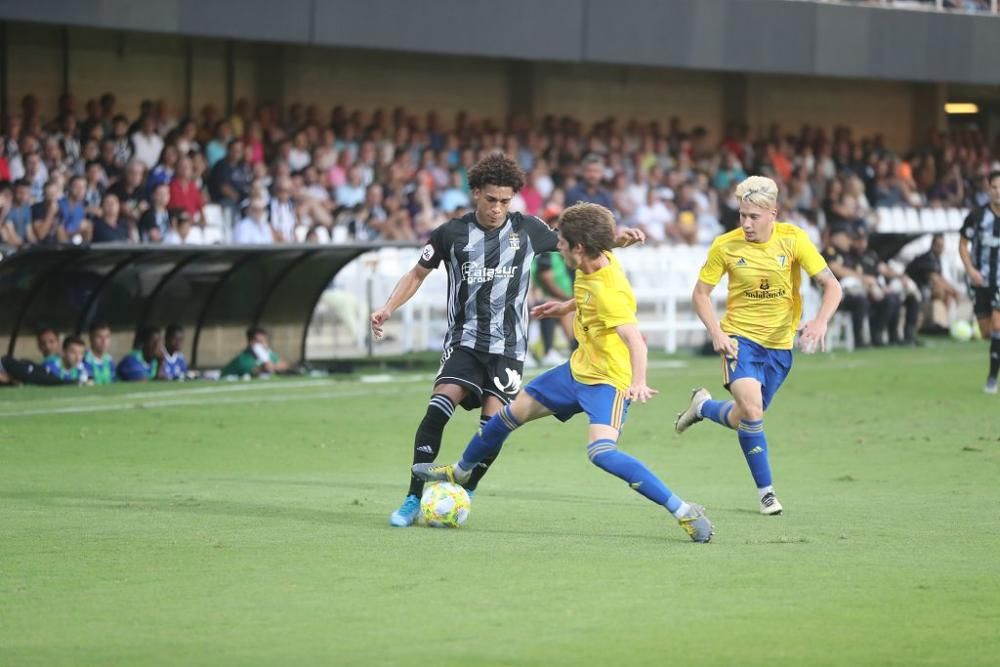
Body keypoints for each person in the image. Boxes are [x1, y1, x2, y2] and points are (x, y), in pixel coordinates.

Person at [413, 203, 713, 543]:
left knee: (601, 453)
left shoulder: (609, 291)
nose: (557, 246)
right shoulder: (594, 260)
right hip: (576, 370)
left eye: (562, 243)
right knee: (510, 415)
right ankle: (461, 471)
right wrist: (567, 306)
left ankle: (683, 511)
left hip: (608, 382)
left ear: (579, 248)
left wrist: (639, 381)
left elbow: (636, 341)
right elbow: (593, 275)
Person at [371, 153, 643, 528]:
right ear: (476, 193)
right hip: (464, 340)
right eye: (490, 200)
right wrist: (388, 307)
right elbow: (416, 275)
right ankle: (413, 497)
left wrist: (618, 239)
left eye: (505, 201)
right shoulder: (450, 234)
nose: (498, 209)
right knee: (438, 407)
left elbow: (581, 243)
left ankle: (465, 492)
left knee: (493, 426)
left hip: (509, 348)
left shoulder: (528, 229)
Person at [674, 176, 842, 515]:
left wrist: (820, 321)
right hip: (739, 340)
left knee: (745, 417)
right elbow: (700, 294)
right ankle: (767, 493)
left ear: (772, 214)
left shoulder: (794, 240)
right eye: (742, 216)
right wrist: (717, 332)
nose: (746, 223)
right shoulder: (726, 246)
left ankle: (703, 407)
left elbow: (831, 285)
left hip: (780, 347)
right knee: (752, 411)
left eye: (753, 216)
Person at [958, 169, 1000, 394]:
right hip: (980, 280)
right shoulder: (977, 216)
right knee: (986, 332)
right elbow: (963, 244)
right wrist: (970, 269)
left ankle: (992, 378)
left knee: (997, 325)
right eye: (994, 187)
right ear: (988, 189)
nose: (998, 192)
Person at [220, 327, 289, 377]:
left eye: (264, 341)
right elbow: (254, 371)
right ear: (251, 343)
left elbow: (284, 365)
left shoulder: (268, 354)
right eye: (259, 342)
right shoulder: (243, 359)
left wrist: (273, 366)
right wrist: (265, 368)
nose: (263, 344)